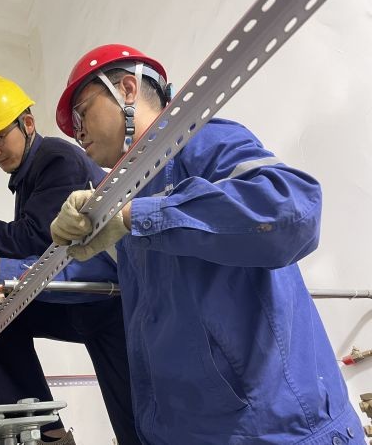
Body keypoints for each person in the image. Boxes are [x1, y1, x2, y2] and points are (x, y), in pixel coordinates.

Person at [50, 44, 365, 444]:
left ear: (127, 89)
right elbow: (90, 273)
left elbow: (292, 210)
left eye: (82, 113)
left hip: (278, 431)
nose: (78, 134)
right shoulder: (130, 198)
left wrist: (135, 215)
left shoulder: (198, 140)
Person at [0, 74, 140, 445]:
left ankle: (44, 429)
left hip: (107, 302)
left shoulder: (57, 159)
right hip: (79, 303)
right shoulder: (29, 176)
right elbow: (33, 246)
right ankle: (41, 430)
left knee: (135, 424)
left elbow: (32, 238)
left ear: (28, 124)